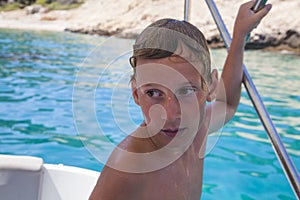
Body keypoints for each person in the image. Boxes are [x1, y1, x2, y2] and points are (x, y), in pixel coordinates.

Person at [89, 1, 272, 199]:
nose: (171, 114)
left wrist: (239, 37)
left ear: (210, 87)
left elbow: (226, 103)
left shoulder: (197, 130)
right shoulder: (129, 167)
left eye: (186, 91)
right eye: (153, 93)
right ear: (136, 95)